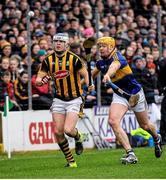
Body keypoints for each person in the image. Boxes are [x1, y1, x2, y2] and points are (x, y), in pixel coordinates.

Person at [91, 36, 163, 164]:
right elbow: (91, 75)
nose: (100, 48)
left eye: (103, 46)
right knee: (113, 121)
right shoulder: (100, 62)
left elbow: (114, 66)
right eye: (99, 46)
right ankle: (130, 153)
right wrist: (82, 83)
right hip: (120, 95)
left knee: (145, 125)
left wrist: (107, 75)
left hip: (135, 94)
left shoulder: (119, 58)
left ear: (111, 47)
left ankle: (157, 138)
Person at [35, 33, 90, 168]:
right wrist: (39, 80)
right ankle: (71, 162)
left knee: (68, 130)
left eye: (61, 41)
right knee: (58, 132)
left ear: (66, 45)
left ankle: (78, 137)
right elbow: (40, 76)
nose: (58, 43)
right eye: (56, 41)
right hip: (59, 99)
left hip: (75, 99)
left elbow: (85, 73)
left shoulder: (74, 59)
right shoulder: (48, 60)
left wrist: (88, 85)